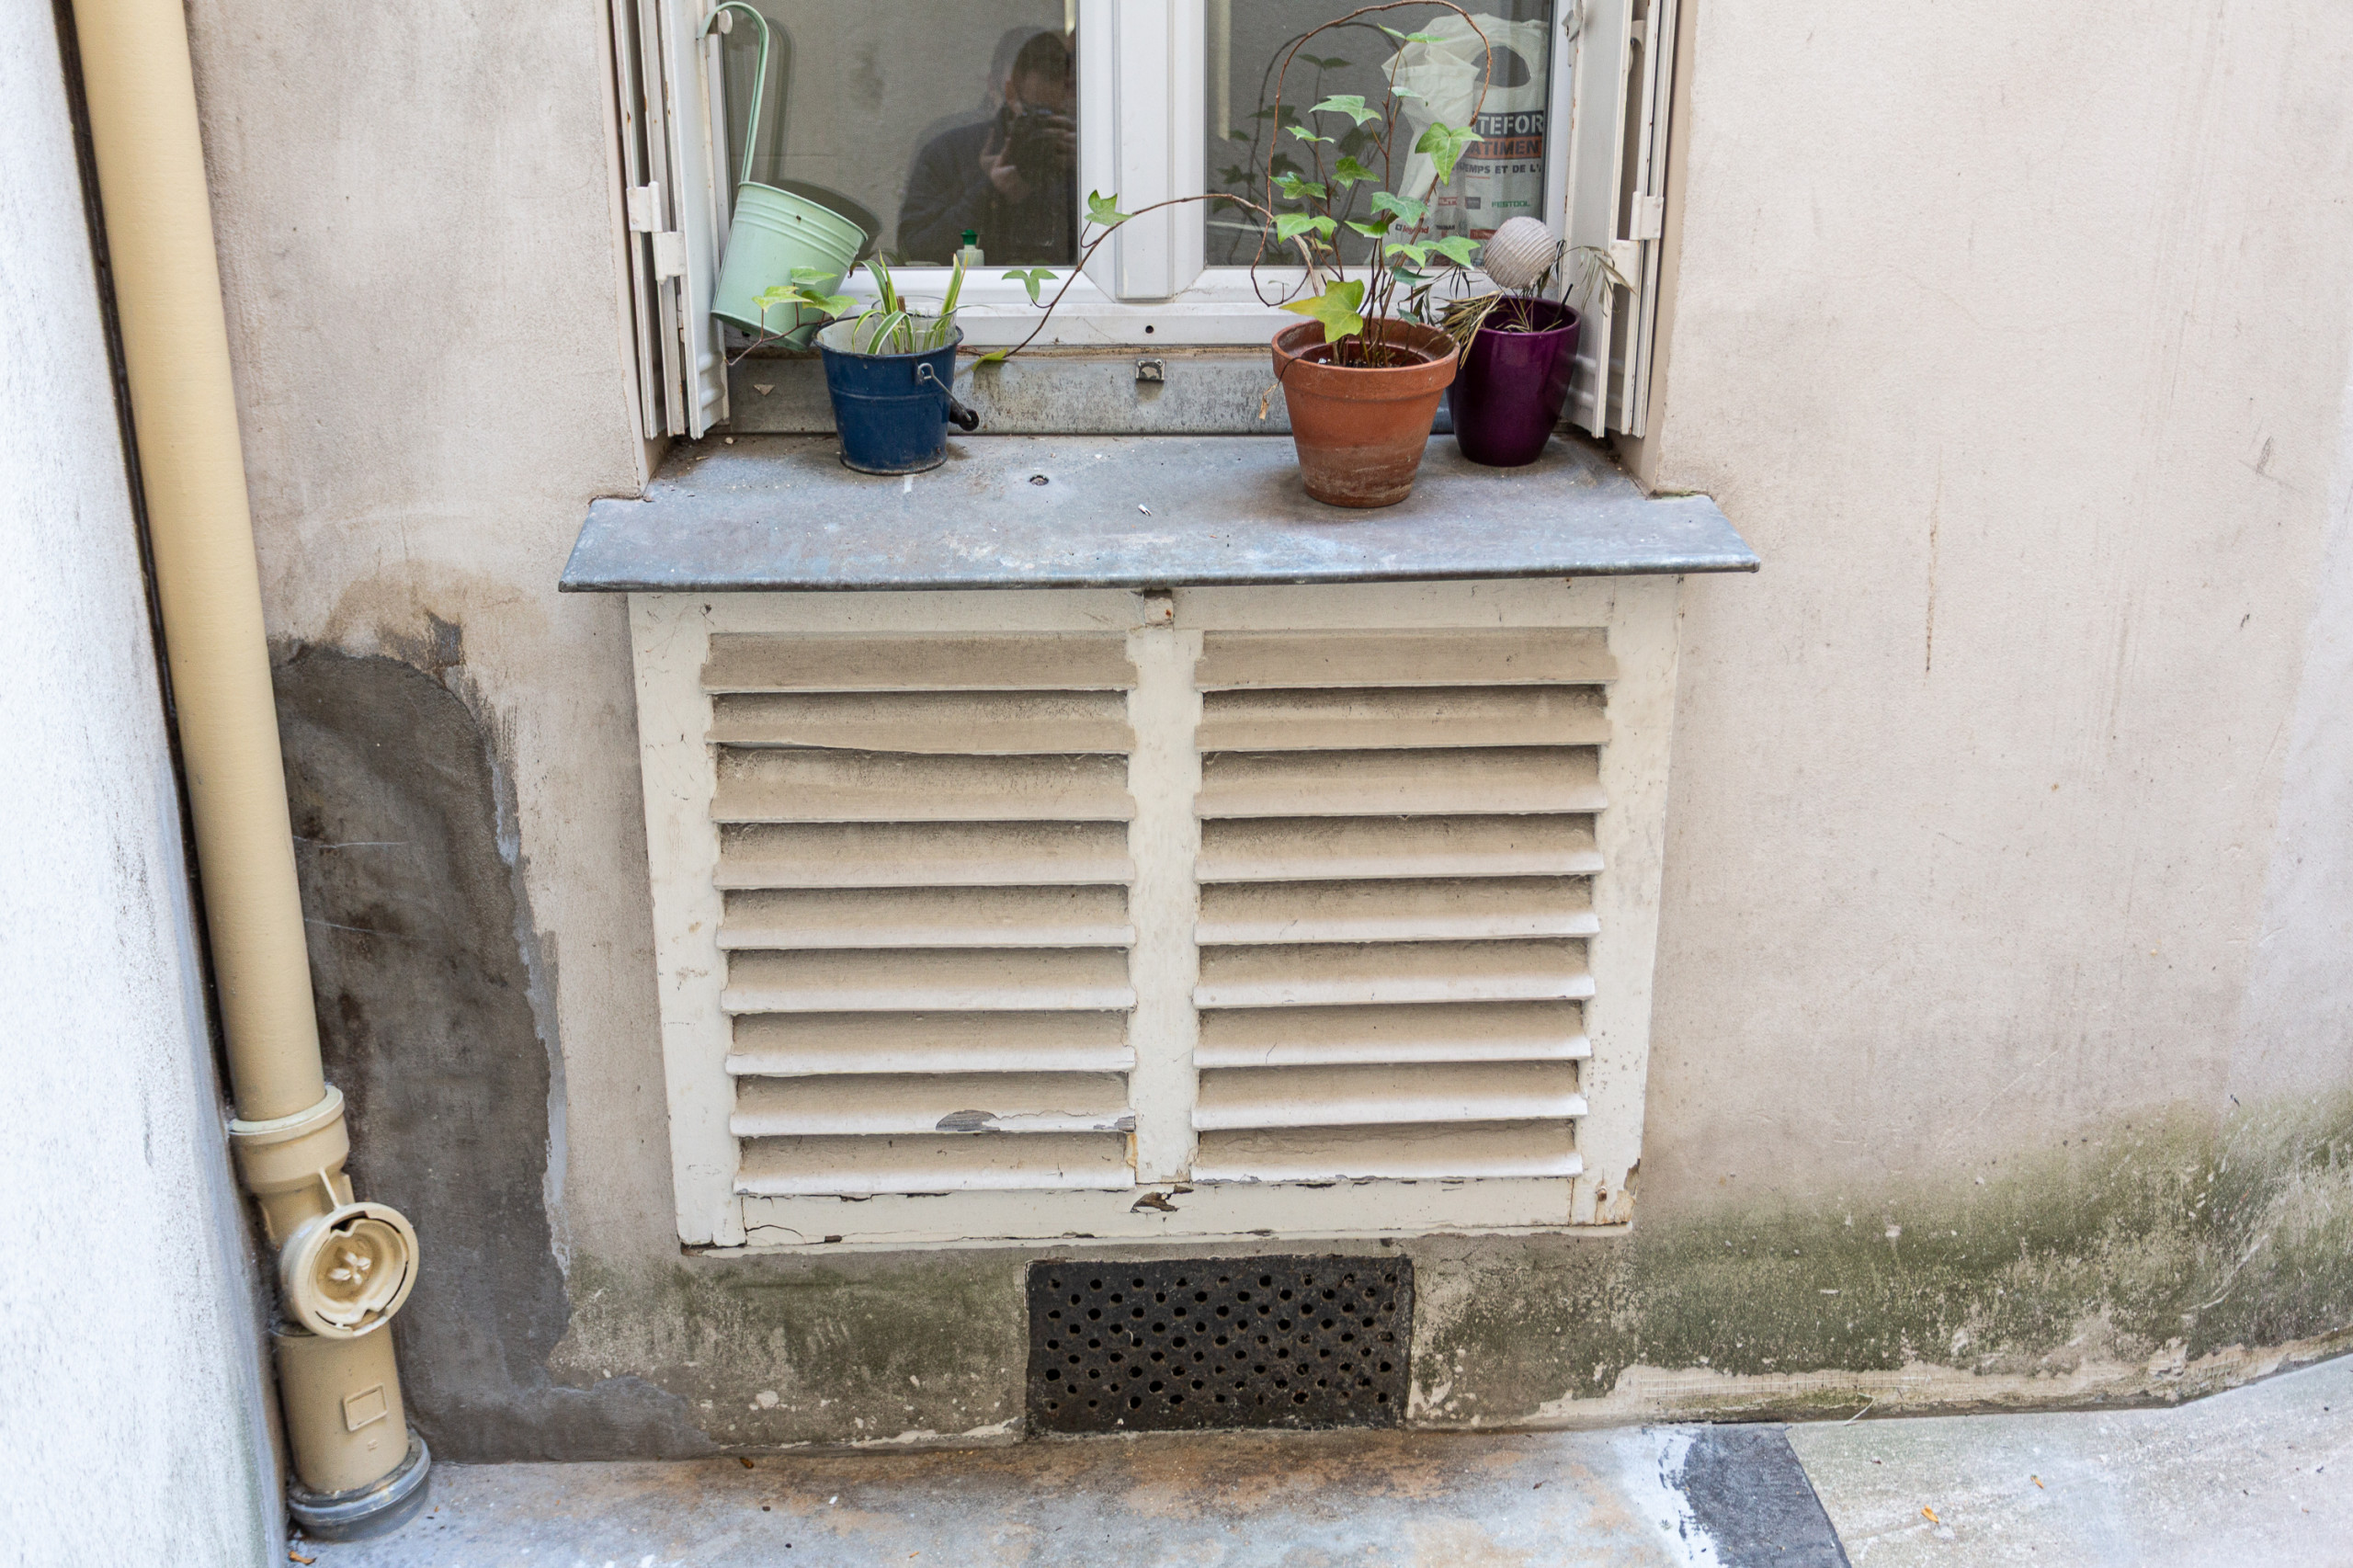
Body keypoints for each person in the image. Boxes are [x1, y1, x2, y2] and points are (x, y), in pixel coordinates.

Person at [896, 29, 1075, 265]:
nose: (1039, 131)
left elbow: (1097, 255)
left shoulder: (1084, 151)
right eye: (1030, 117)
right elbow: (914, 251)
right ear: (1004, 92)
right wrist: (987, 191)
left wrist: (1077, 172)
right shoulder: (949, 151)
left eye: (1051, 117)